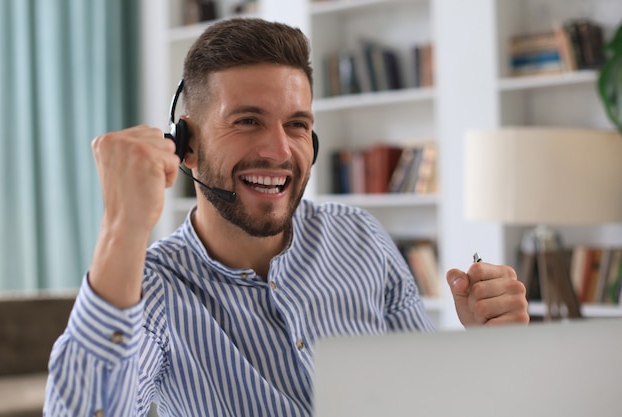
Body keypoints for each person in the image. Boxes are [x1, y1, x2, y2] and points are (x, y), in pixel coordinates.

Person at [44, 17, 529, 417]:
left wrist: (485, 351)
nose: (280, 151)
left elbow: (423, 399)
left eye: (297, 125)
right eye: (247, 121)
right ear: (186, 146)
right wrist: (123, 226)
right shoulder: (150, 287)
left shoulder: (360, 236)